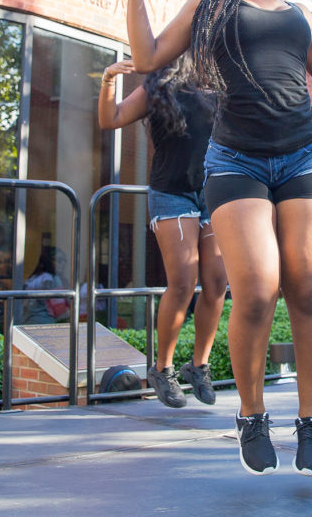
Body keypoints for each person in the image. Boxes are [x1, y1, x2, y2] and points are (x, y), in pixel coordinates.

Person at [124, 0, 312, 476]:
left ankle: (311, 417)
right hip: (236, 162)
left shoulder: (300, 17)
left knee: (307, 287)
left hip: (305, 155)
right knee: (255, 289)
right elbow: (147, 57)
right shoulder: (211, 6)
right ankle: (251, 415)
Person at [98, 54, 225, 408]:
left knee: (216, 283)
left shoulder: (219, 85)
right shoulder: (158, 88)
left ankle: (198, 366)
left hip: (213, 192)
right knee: (183, 282)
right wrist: (109, 79)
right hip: (172, 192)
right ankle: (163, 369)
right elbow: (110, 119)